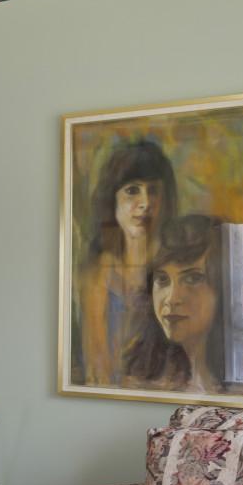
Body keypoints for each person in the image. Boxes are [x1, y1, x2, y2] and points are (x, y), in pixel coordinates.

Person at [75, 139, 177, 385]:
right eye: (132, 190)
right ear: (112, 199)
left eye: (153, 190)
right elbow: (97, 367)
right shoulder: (98, 272)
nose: (145, 203)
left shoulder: (176, 264)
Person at [121, 214, 239, 395]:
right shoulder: (141, 378)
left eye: (192, 278)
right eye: (162, 279)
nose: (171, 298)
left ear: (224, 286)